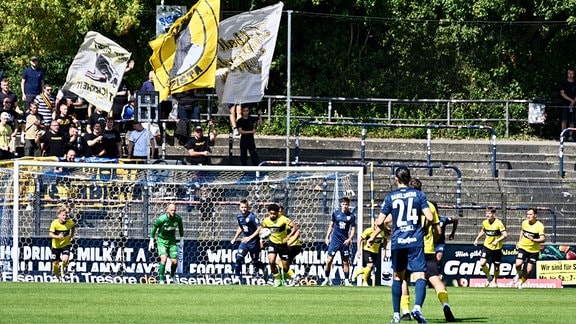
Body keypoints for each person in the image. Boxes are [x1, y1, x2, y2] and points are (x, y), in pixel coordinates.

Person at [367, 166, 434, 324]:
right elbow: (430, 217)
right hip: (415, 240)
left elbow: (379, 222)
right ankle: (417, 307)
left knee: (398, 277)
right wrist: (423, 229)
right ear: (409, 178)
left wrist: (386, 230)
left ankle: (397, 314)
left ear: (396, 179)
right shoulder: (419, 195)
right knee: (419, 275)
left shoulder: (391, 197)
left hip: (398, 241)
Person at [400, 178, 455, 322]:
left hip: (409, 246)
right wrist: (432, 239)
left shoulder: (404, 204)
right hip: (428, 248)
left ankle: (406, 311)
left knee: (404, 278)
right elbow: (438, 230)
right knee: (436, 280)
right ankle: (445, 304)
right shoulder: (429, 205)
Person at [229, 199, 267, 284]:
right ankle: (237, 278)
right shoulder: (239, 217)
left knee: (255, 261)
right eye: (242, 207)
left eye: (245, 207)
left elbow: (259, 228)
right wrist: (235, 238)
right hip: (245, 242)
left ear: (248, 207)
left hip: (254, 242)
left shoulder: (252, 217)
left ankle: (264, 268)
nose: (243, 209)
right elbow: (241, 227)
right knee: (238, 258)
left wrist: (249, 238)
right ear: (239, 207)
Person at [321, 196, 356, 286]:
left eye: (346, 204)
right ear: (341, 204)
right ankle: (326, 279)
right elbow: (331, 225)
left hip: (344, 242)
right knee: (329, 260)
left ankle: (347, 280)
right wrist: (327, 237)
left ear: (349, 205)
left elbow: (353, 229)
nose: (345, 206)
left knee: (345, 262)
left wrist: (349, 239)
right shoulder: (336, 214)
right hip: (335, 241)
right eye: (343, 204)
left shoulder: (351, 216)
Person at [262, 203, 299, 287]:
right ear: (268, 213)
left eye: (274, 214)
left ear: (277, 213)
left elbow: (295, 227)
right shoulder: (266, 221)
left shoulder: (283, 219)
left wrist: (288, 236)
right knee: (271, 262)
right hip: (272, 243)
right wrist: (262, 238)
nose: (272, 215)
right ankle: (277, 280)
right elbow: (263, 230)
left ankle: (293, 277)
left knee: (285, 267)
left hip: (282, 245)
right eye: (271, 213)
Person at [148, 203, 184, 284]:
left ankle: (172, 275)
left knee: (175, 262)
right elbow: (154, 228)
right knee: (163, 259)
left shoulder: (178, 219)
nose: (173, 212)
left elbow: (181, 228)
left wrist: (182, 239)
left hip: (172, 242)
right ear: (167, 210)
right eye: (171, 210)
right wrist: (151, 240)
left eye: (174, 210)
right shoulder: (161, 219)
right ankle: (161, 279)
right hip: (162, 241)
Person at [473, 207, 508, 287]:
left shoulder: (499, 223)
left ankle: (495, 281)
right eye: (486, 213)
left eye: (489, 213)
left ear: (493, 214)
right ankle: (489, 277)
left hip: (497, 248)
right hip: (487, 246)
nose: (487, 215)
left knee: (496, 268)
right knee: (482, 263)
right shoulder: (485, 222)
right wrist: (477, 239)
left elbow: (505, 234)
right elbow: (483, 231)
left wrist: (497, 240)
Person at [514, 208, 545, 289]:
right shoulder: (524, 223)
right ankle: (519, 274)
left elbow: (543, 239)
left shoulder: (539, 226)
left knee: (528, 270)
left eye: (530, 214)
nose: (528, 216)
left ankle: (521, 283)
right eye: (527, 214)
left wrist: (534, 239)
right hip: (523, 247)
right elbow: (522, 231)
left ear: (535, 215)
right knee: (518, 264)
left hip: (534, 251)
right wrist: (519, 242)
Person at [49, 205, 75, 282]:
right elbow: (50, 234)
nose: (65, 217)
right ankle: (57, 277)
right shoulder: (54, 223)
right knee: (55, 266)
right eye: (63, 215)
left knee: (65, 260)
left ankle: (63, 270)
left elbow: (73, 226)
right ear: (58, 215)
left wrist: (72, 236)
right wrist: (58, 237)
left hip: (65, 244)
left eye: (66, 215)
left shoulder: (70, 222)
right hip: (56, 246)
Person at [560, 68, 576, 141]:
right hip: (565, 103)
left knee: (572, 120)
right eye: (569, 74)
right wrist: (570, 100)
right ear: (567, 74)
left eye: (572, 74)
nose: (571, 75)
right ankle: (563, 135)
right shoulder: (564, 83)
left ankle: (570, 136)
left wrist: (573, 101)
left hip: (574, 104)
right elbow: (562, 93)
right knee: (564, 120)